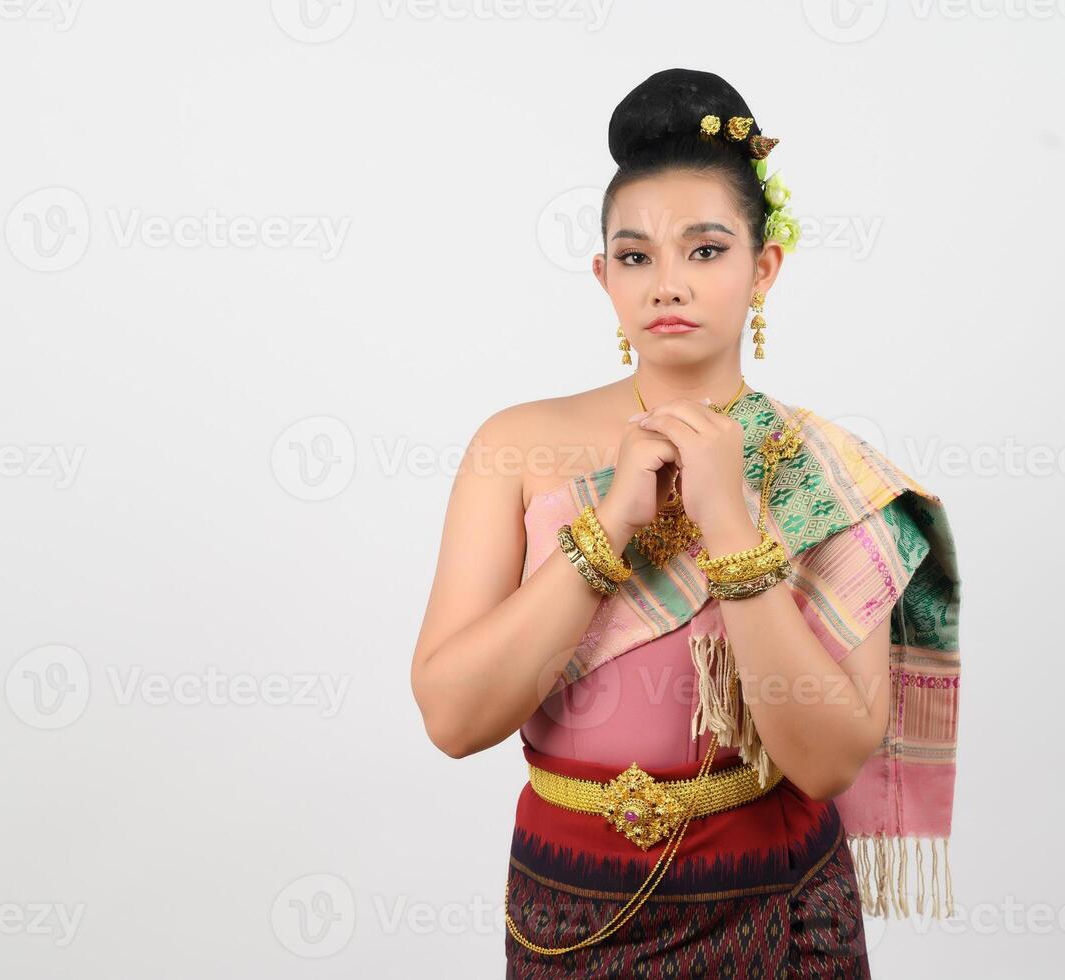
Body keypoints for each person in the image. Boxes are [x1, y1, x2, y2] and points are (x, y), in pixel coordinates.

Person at [410, 67, 963, 978]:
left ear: (764, 266)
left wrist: (730, 524)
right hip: (568, 904)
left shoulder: (824, 475)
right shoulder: (514, 447)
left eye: (705, 250)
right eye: (635, 256)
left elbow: (824, 763)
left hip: (781, 904)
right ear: (604, 277)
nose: (667, 282)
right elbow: (454, 717)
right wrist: (616, 519)